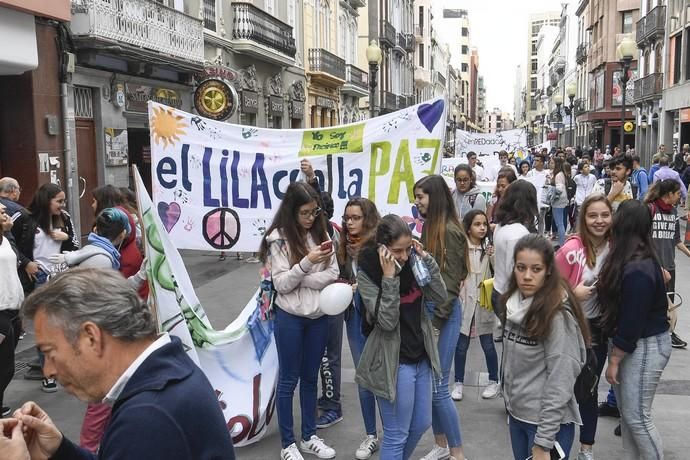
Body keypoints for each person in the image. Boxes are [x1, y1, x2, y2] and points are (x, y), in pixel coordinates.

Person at [0, 268, 235, 460]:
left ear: (91, 337)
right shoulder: (169, 375)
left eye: (50, 353)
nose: (48, 370)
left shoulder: (147, 419)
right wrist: (60, 450)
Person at [258, 182, 339, 460]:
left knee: (310, 377)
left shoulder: (322, 231)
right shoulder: (278, 239)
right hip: (290, 318)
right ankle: (288, 444)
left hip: (318, 317)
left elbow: (333, 273)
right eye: (304, 213)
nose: (310, 218)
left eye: (314, 212)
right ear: (291, 212)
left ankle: (309, 436)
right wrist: (307, 263)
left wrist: (302, 278)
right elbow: (280, 284)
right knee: (288, 379)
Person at [355, 215, 447, 460]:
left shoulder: (414, 263)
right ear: (382, 248)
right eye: (398, 251)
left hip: (421, 355)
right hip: (394, 361)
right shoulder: (368, 271)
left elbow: (439, 297)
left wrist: (428, 261)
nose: (405, 256)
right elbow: (386, 321)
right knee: (396, 434)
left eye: (408, 249)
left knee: (421, 423)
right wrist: (389, 278)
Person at [500, 234, 588, 460]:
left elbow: (561, 380)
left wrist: (544, 441)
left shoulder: (557, 317)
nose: (527, 276)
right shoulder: (512, 307)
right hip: (517, 416)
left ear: (549, 270)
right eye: (521, 268)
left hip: (546, 426)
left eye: (536, 269)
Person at [597, 200, 672, 460]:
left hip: (644, 345)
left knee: (637, 417)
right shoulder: (633, 256)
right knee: (630, 417)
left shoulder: (638, 266)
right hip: (635, 343)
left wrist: (615, 359)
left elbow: (632, 320)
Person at [317, 197, 381, 460]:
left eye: (356, 218)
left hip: (381, 320)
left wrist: (364, 288)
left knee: (387, 379)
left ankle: (394, 432)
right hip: (355, 317)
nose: (350, 223)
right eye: (347, 218)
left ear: (368, 219)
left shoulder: (381, 246)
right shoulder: (342, 245)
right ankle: (371, 435)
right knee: (363, 378)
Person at [414, 175, 469, 460]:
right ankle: (441, 445)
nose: (417, 202)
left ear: (433, 198)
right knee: (434, 387)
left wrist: (435, 324)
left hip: (442, 315)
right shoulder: (431, 228)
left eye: (421, 197)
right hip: (432, 312)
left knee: (438, 388)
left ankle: (457, 452)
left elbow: (449, 283)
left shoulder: (448, 230)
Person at [555, 194, 613, 460]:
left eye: (604, 215)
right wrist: (571, 295)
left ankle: (586, 448)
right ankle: (554, 444)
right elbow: (547, 290)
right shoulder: (570, 250)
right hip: (568, 328)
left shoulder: (616, 248)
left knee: (588, 390)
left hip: (598, 330)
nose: (599, 221)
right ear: (583, 219)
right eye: (593, 216)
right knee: (564, 389)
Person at [11, 183, 79, 392]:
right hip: (38, 279)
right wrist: (26, 263)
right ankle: (48, 372)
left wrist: (66, 238)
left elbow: (75, 247)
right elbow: (9, 243)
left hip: (60, 277)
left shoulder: (65, 218)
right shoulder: (23, 218)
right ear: (45, 200)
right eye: (58, 201)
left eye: (63, 201)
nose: (62, 205)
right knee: (45, 327)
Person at [453, 209, 499, 401]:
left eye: (484, 224)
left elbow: (498, 272)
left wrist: (493, 255)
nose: (482, 228)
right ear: (468, 227)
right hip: (465, 300)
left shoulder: (489, 248)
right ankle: (458, 382)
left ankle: (494, 380)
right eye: (477, 224)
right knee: (461, 344)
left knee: (487, 343)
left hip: (483, 302)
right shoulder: (461, 248)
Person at [644, 179, 690, 349]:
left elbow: (677, 241)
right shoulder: (649, 210)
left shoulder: (673, 213)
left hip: (669, 266)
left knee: (670, 302)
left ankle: (669, 333)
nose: (680, 197)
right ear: (669, 194)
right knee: (650, 301)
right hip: (652, 267)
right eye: (678, 194)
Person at [492, 180, 538, 320]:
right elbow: (514, 271)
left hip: (499, 290)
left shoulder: (501, 225)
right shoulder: (518, 233)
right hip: (511, 298)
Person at [0, 203, 23, 418]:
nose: (6, 213)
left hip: (13, 310)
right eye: (1, 212)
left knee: (6, 365)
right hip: (0, 312)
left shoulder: (6, 238)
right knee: (5, 367)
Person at [526, 155, 550, 235]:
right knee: (531, 219)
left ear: (542, 163)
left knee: (541, 219)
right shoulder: (530, 173)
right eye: (534, 160)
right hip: (532, 200)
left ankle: (540, 236)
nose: (535, 162)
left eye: (537, 160)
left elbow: (549, 185)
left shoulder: (547, 173)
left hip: (542, 200)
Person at [550, 157, 570, 246]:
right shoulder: (562, 173)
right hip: (562, 201)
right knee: (560, 222)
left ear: (556, 164)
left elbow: (559, 189)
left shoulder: (558, 175)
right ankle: (562, 243)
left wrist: (552, 197)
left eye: (552, 163)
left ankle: (562, 244)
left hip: (558, 202)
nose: (550, 164)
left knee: (559, 223)